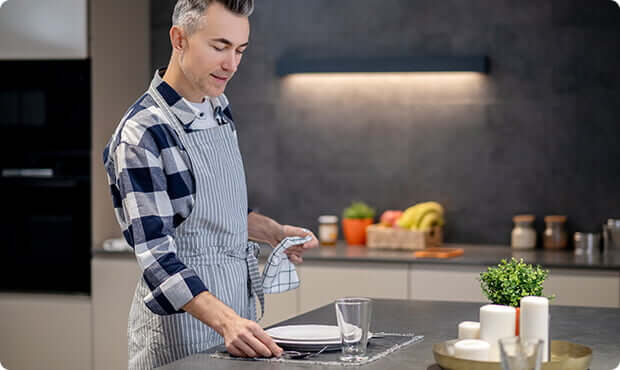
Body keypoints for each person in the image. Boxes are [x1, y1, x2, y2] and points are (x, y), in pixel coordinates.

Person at [102, 0, 319, 368]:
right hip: (180, 336)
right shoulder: (142, 134)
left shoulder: (218, 108)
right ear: (179, 39)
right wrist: (227, 321)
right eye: (219, 47)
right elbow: (157, 257)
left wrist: (272, 231)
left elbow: (208, 213)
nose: (231, 65)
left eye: (239, 51)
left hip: (235, 325)